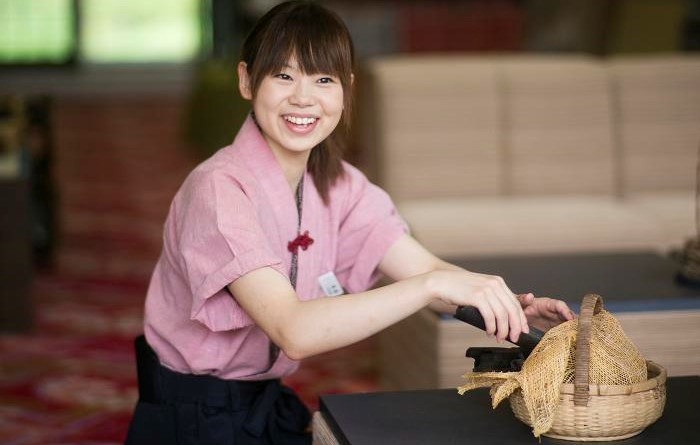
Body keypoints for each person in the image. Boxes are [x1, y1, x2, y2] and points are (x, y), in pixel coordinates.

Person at [125, 2, 575, 444]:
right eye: (283, 75)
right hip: (192, 419)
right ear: (247, 80)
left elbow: (422, 268)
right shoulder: (218, 191)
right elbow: (294, 331)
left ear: (346, 89)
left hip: (263, 401)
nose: (303, 97)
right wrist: (431, 287)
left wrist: (507, 306)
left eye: (324, 79)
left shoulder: (338, 184)